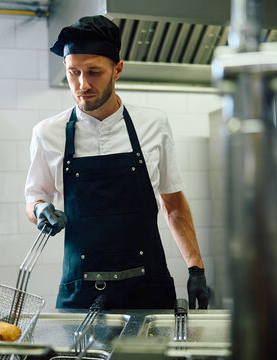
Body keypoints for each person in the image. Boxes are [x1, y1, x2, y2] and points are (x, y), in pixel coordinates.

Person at [24, 15, 210, 310]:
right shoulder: (47, 132)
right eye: (74, 72)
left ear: (117, 69)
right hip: (81, 292)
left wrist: (196, 269)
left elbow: (173, 204)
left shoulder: (154, 124)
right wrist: (40, 209)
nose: (82, 84)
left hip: (148, 288)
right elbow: (35, 198)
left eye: (94, 72)